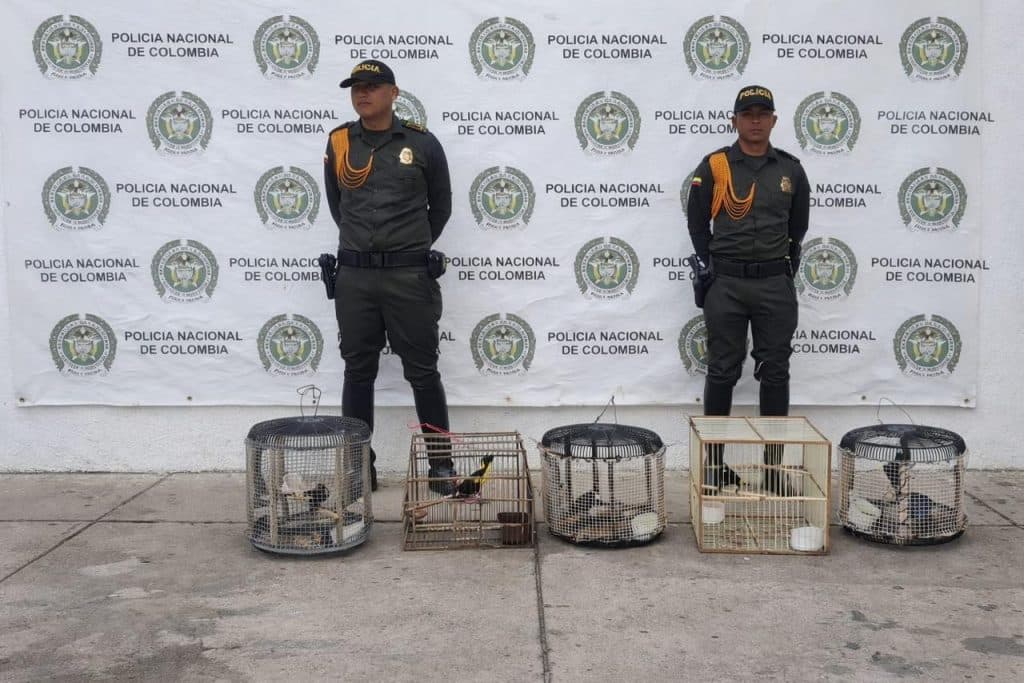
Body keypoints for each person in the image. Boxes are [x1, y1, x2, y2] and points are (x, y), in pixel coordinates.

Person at [323, 59, 455, 494]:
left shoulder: (422, 144)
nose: (363, 94)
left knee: (423, 370)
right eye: (356, 87)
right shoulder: (340, 142)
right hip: (356, 279)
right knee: (357, 371)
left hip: (407, 277)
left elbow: (441, 206)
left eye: (373, 86)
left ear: (393, 93)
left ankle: (440, 465)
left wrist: (406, 249)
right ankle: (361, 467)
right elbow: (338, 206)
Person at [685, 85, 810, 494]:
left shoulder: (790, 170)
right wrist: (711, 267)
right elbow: (697, 221)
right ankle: (714, 468)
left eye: (763, 113)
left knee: (775, 371)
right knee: (723, 369)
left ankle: (773, 471)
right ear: (734, 120)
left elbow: (798, 227)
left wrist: (783, 270)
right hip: (728, 284)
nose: (755, 120)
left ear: (774, 120)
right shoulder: (716, 166)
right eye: (747, 113)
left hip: (775, 283)